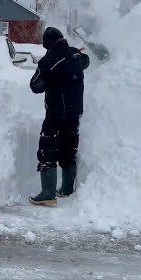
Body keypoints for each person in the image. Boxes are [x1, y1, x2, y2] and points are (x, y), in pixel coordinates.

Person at [29, 27, 90, 207]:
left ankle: (48, 194)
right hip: (74, 113)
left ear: (47, 43)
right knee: (69, 148)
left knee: (48, 150)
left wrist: (49, 79)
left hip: (56, 115)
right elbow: (86, 61)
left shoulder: (47, 61)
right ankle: (67, 189)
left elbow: (35, 86)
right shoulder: (76, 55)